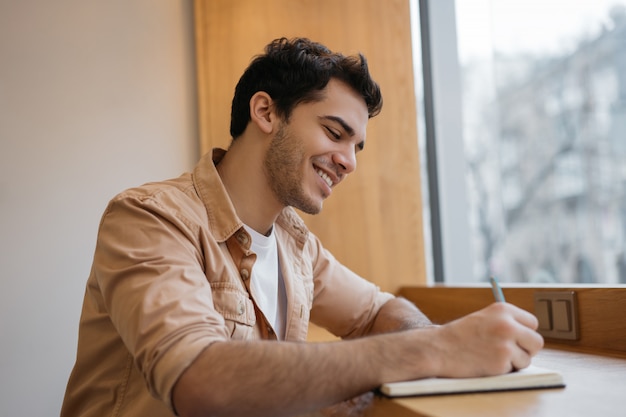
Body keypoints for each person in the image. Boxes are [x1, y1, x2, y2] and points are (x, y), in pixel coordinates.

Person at [60, 37, 544, 417]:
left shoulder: (296, 244)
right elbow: (200, 380)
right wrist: (433, 349)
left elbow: (378, 311)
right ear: (265, 111)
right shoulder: (149, 217)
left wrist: (443, 346)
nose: (349, 163)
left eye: (357, 147)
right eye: (336, 133)